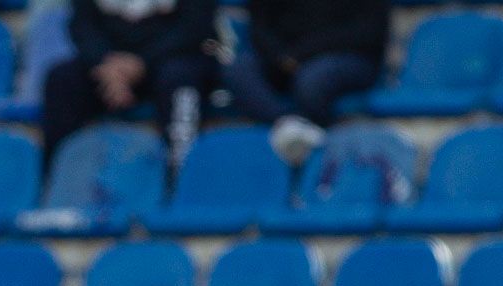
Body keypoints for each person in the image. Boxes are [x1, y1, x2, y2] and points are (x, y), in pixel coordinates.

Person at [42, 0, 219, 166]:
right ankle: (58, 171)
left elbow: (196, 27)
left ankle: (180, 168)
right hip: (110, 63)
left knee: (180, 78)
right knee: (62, 78)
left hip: (173, 57)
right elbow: (82, 24)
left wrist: (142, 62)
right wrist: (106, 63)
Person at [226, 0, 390, 164]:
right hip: (283, 59)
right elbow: (259, 28)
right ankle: (288, 123)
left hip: (346, 55)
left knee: (313, 79)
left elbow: (369, 32)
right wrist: (280, 57)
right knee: (239, 69)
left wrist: (301, 55)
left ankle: (316, 143)